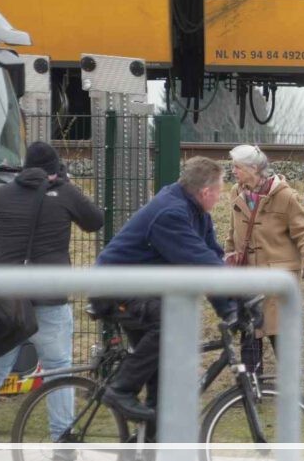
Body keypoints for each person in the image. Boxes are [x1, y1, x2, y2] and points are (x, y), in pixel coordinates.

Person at [0, 142, 103, 461]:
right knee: (58, 369)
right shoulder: (64, 193)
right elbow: (95, 221)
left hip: (7, 298)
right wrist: (65, 187)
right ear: (55, 168)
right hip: (48, 296)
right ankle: (62, 438)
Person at [95, 157, 239, 423]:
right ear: (206, 192)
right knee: (170, 320)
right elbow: (200, 262)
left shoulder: (198, 215)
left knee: (162, 379)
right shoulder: (171, 213)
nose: (220, 197)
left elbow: (211, 261)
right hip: (114, 289)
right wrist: (241, 293)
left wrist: (230, 309)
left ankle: (148, 454)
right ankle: (121, 389)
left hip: (141, 291)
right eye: (219, 191)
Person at [225, 145, 304, 374]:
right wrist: (228, 258)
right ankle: (250, 385)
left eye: (237, 167)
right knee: (249, 331)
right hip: (247, 275)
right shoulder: (235, 193)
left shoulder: (285, 196)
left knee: (279, 333)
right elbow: (232, 232)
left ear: (253, 169)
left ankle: (291, 384)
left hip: (277, 278)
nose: (233, 171)